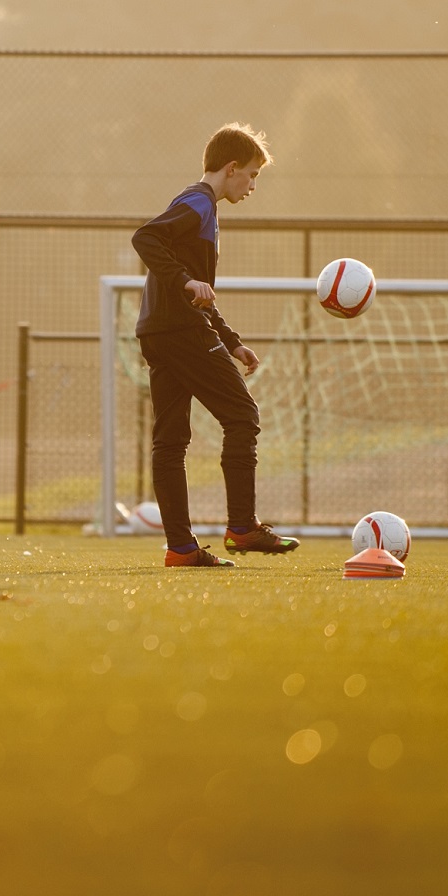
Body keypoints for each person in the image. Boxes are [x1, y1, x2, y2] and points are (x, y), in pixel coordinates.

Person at [130, 122, 299, 567]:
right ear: (231, 168)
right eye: (253, 175)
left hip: (159, 331)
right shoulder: (198, 203)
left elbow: (197, 289)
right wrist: (187, 280)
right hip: (181, 333)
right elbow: (145, 238)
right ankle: (242, 528)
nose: (252, 185)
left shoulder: (197, 205)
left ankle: (181, 549)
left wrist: (232, 342)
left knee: (170, 442)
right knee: (242, 416)